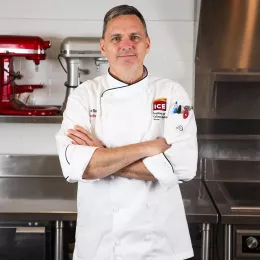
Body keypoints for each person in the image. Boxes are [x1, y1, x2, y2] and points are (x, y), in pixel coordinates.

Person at [56, 4, 198, 260]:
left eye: (135, 37)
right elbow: (77, 168)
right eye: (116, 38)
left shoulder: (172, 93)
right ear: (103, 46)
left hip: (160, 246)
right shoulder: (83, 96)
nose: (126, 44)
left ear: (147, 44)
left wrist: (102, 156)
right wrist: (147, 149)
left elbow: (184, 166)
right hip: (100, 246)